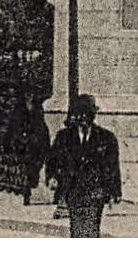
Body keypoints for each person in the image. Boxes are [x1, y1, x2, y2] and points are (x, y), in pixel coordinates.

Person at [47, 93, 123, 238]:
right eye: (80, 114)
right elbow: (53, 159)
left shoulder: (106, 138)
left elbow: (113, 166)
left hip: (96, 191)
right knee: (77, 227)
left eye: (87, 114)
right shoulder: (64, 137)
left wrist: (115, 192)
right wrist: (52, 177)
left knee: (92, 227)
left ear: (93, 115)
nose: (83, 119)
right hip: (73, 190)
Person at [20, 95, 53, 206]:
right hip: (34, 147)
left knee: (31, 170)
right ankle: (27, 191)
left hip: (33, 147)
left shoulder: (33, 121)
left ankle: (27, 191)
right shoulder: (37, 122)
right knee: (32, 169)